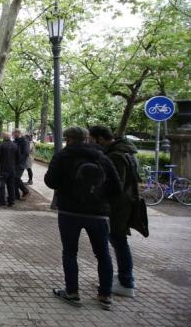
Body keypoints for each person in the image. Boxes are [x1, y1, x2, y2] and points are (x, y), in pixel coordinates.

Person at [45, 127, 122, 311]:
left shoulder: (63, 156)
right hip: (99, 214)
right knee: (103, 254)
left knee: (70, 252)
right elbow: (117, 188)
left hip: (69, 212)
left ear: (69, 139)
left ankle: (72, 292)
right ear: (87, 139)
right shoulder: (102, 157)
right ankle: (105, 295)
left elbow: (50, 182)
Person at [88, 126, 140, 298]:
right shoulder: (127, 153)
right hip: (124, 204)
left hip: (118, 207)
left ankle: (126, 282)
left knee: (118, 241)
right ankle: (126, 278)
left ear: (100, 139)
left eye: (92, 139)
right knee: (119, 241)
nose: (90, 142)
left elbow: (114, 186)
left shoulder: (115, 156)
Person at [0, 132, 17, 207]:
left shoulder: (0, 145)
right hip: (12, 169)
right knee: (11, 185)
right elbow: (18, 157)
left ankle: (2, 201)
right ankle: (11, 201)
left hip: (2, 169)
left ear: (3, 137)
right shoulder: (15, 145)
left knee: (0, 185)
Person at [12, 129, 31, 199]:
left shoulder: (25, 141)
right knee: (14, 178)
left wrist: (19, 161)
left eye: (13, 133)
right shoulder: (15, 141)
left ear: (18, 133)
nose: (13, 135)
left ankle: (26, 191)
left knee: (16, 178)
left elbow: (26, 153)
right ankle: (16, 195)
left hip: (21, 163)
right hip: (14, 163)